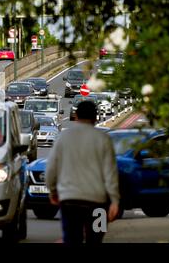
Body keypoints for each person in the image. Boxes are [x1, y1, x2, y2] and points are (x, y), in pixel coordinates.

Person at [45, 100, 120, 244]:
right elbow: (110, 174)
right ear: (96, 117)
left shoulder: (63, 137)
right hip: (98, 202)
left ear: (76, 116)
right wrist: (115, 201)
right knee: (96, 239)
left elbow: (51, 169)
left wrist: (53, 191)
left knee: (72, 239)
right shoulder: (103, 139)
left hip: (69, 200)